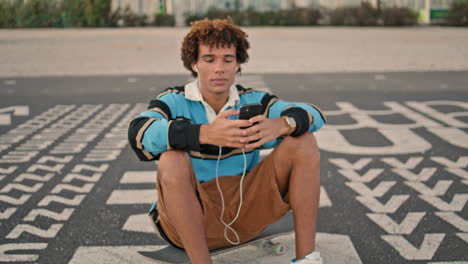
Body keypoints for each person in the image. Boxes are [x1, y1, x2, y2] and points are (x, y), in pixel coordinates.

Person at [128, 17, 326, 264]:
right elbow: (138, 133)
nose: (219, 68)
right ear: (194, 63)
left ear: (238, 64)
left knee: (303, 141)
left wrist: (282, 124)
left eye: (228, 60)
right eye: (209, 59)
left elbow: (315, 114)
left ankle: (307, 259)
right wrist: (204, 133)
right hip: (188, 220)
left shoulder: (253, 101)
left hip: (245, 210)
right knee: (171, 159)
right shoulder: (173, 101)